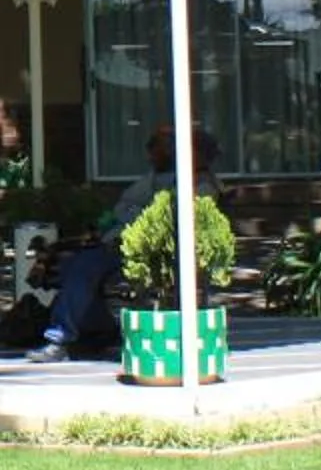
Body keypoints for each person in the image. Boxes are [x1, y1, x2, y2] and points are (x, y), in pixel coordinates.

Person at [25, 127, 211, 362]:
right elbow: (123, 207)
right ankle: (85, 333)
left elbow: (169, 216)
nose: (151, 156)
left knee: (84, 269)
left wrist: (138, 216)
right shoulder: (154, 178)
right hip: (118, 243)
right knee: (75, 267)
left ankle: (74, 335)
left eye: (157, 149)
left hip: (156, 253)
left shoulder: (202, 185)